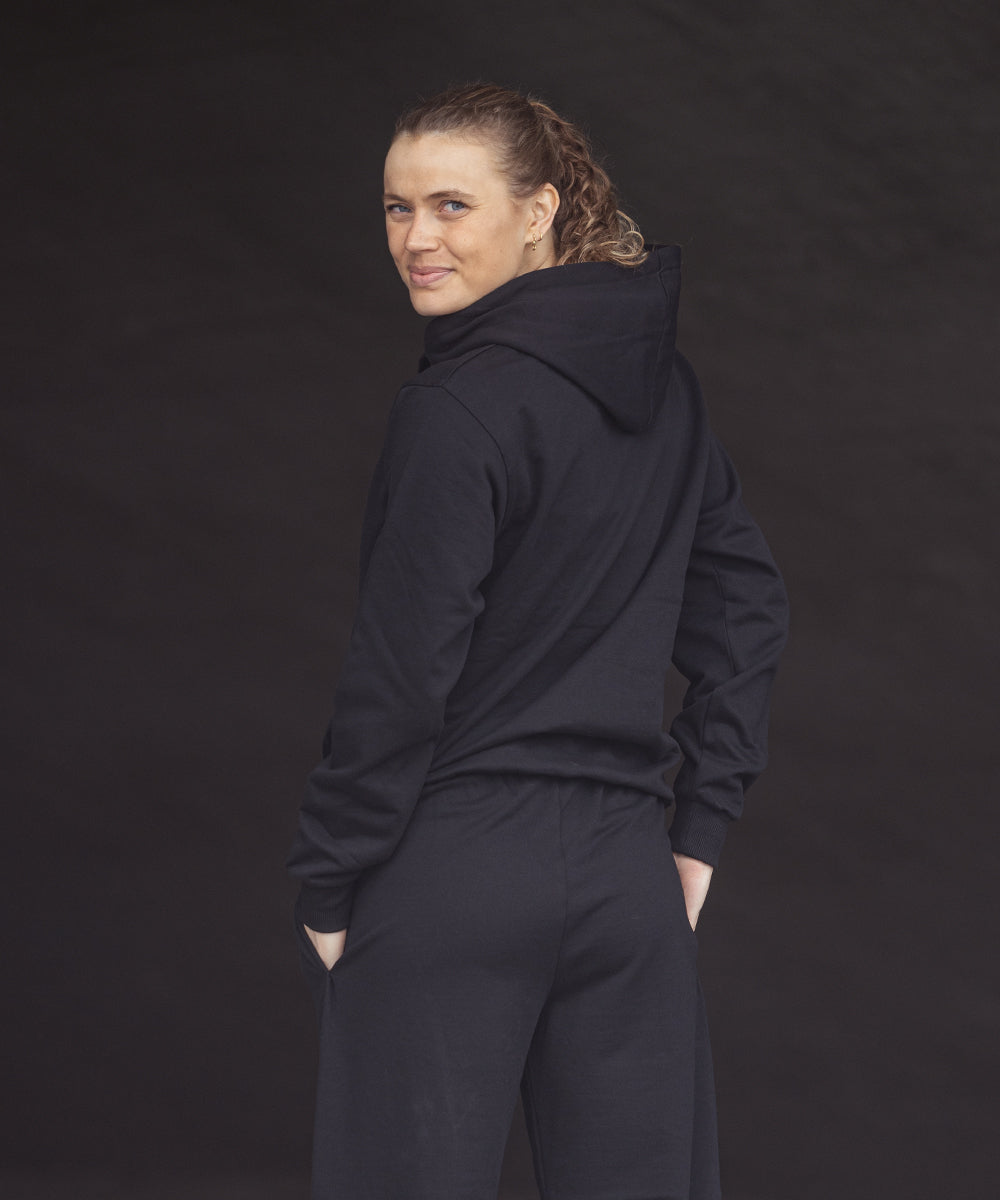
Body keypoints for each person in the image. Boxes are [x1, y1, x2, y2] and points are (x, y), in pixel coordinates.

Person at [287, 82, 789, 1200]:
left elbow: (403, 673)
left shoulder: (453, 411)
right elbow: (747, 606)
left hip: (452, 867)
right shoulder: (669, 394)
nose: (416, 238)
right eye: (397, 207)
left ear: (539, 210)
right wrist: (695, 830)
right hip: (626, 879)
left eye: (451, 205)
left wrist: (327, 879)